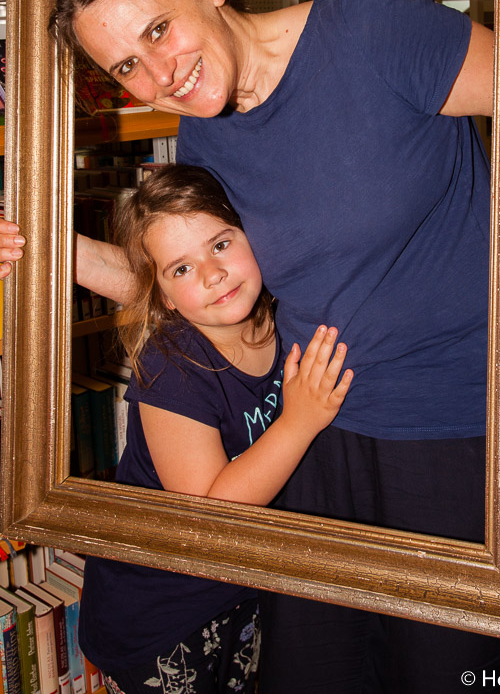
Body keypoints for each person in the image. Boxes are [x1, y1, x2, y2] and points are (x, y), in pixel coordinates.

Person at [1, 0, 500, 692]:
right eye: (127, 66)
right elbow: (201, 292)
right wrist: (44, 249)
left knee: (454, 671)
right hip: (310, 432)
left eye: (159, 29)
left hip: (454, 423)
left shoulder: (371, 33)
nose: (160, 74)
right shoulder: (203, 136)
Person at [75, 162, 353, 694]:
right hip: (159, 620)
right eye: (180, 269)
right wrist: (299, 422)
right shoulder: (171, 365)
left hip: (241, 598)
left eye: (221, 244)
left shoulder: (284, 321)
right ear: (160, 296)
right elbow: (209, 518)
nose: (211, 274)